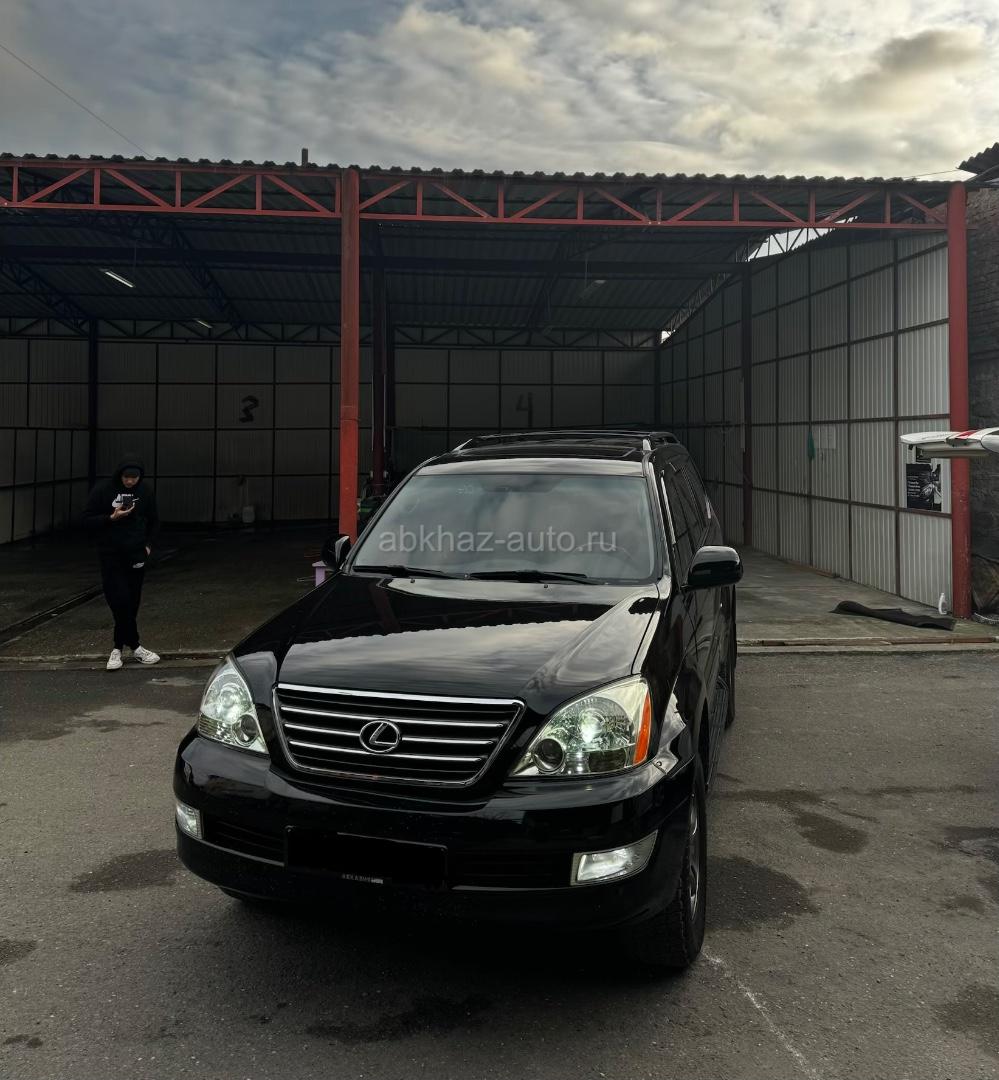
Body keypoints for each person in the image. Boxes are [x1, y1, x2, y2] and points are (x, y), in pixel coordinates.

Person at [83, 455, 161, 671]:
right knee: (119, 599)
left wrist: (148, 545)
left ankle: (118, 648)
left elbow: (154, 520)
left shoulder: (145, 491)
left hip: (136, 553)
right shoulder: (103, 490)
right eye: (126, 477)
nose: (130, 481)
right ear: (120, 475)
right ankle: (134, 645)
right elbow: (86, 519)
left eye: (134, 478)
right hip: (110, 554)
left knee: (132, 601)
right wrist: (111, 518)